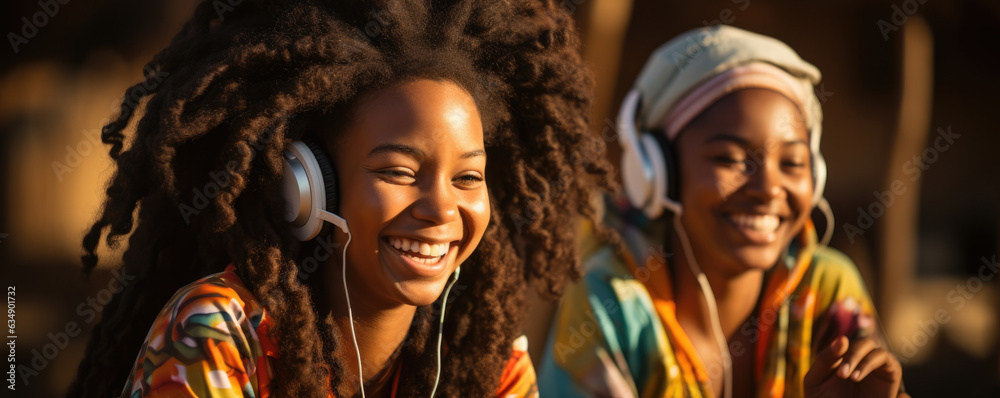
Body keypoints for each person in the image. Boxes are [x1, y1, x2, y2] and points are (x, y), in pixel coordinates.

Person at [67, 1, 614, 397]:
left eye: (467, 178)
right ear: (308, 185)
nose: (442, 209)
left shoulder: (491, 364)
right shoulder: (219, 331)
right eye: (399, 171)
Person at [539, 25, 909, 397]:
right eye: (730, 159)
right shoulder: (609, 301)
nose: (767, 188)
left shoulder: (827, 288)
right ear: (657, 172)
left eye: (793, 162)